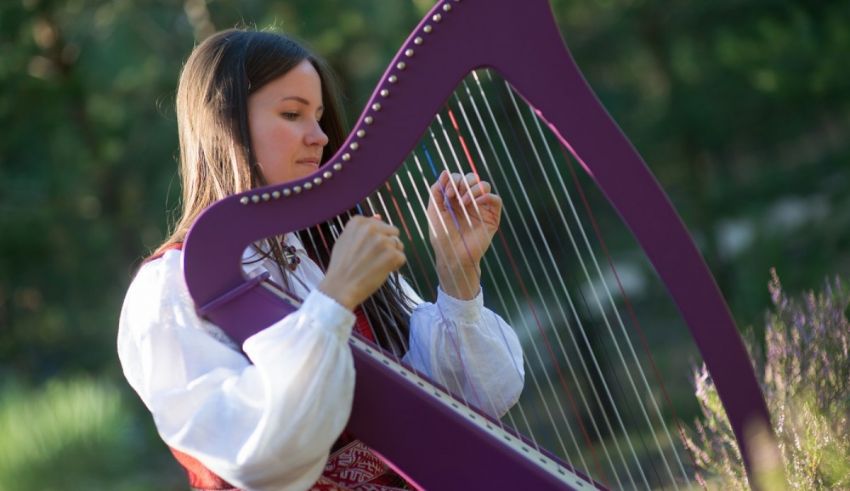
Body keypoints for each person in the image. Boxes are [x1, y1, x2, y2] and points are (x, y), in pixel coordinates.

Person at [118, 29, 524, 491]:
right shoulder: (168, 287)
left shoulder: (323, 249)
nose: (320, 136)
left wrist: (457, 273)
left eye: (319, 116)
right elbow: (254, 457)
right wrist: (333, 299)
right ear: (224, 125)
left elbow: (468, 401)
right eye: (293, 114)